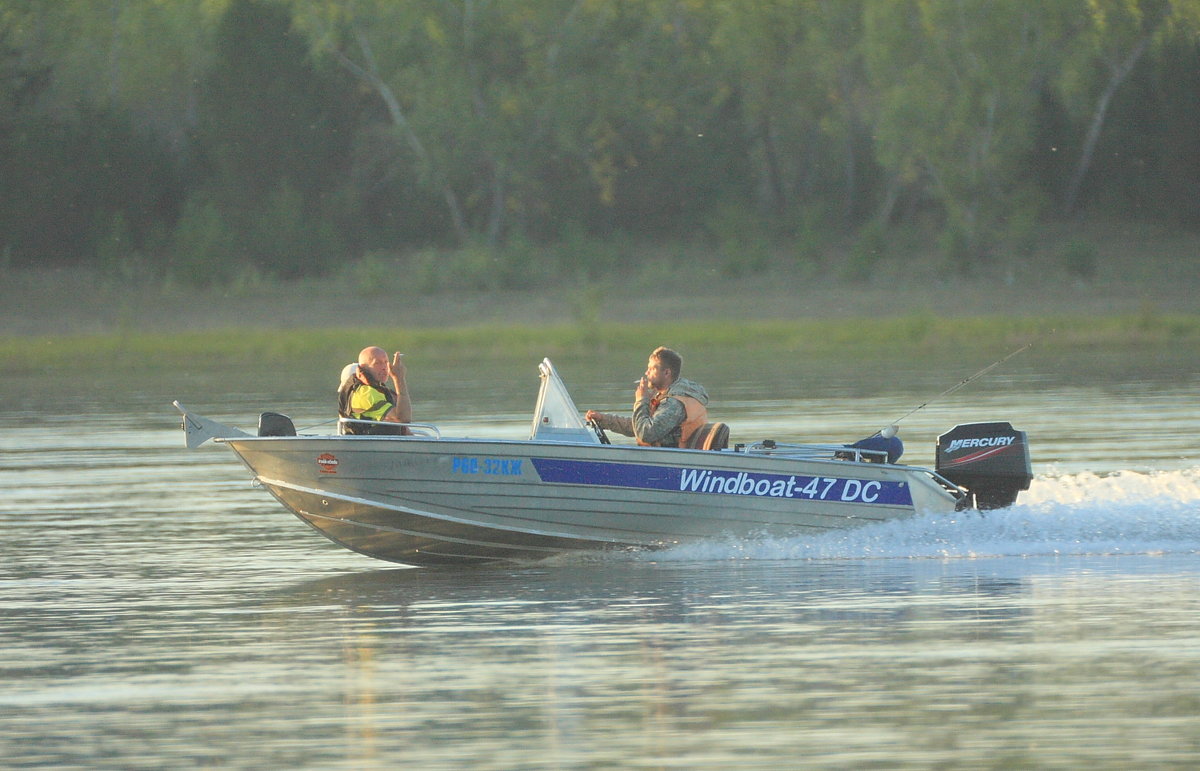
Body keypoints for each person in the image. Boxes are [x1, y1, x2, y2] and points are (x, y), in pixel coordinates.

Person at [585, 346, 709, 448]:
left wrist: (641, 400)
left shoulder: (674, 402)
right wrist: (603, 420)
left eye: (651, 369)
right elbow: (637, 426)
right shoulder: (665, 397)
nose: (646, 373)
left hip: (671, 463)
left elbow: (645, 433)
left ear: (666, 372)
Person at [337, 346, 412, 434]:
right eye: (377, 363)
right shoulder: (366, 394)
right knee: (394, 427)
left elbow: (403, 425)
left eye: (386, 362)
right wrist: (399, 379)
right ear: (363, 368)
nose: (384, 367)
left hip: (378, 444)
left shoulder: (376, 391)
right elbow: (403, 419)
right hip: (367, 444)